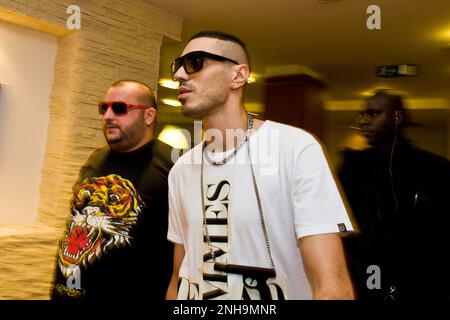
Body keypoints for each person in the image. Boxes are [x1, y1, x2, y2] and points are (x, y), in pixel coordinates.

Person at [165, 31, 355, 300]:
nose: (180, 75)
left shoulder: (295, 148)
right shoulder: (181, 169)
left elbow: (333, 287)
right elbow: (179, 277)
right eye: (178, 65)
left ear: (238, 76)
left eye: (195, 62)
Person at [50, 80, 174, 300]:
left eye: (119, 108)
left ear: (149, 116)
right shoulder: (96, 158)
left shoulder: (173, 165)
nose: (107, 115)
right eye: (103, 108)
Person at [339, 90, 450, 301]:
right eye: (361, 114)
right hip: (364, 280)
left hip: (417, 283)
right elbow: (338, 221)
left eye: (373, 114)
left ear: (397, 118)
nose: (363, 121)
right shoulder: (352, 166)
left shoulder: (433, 167)